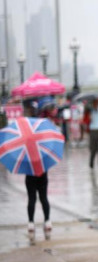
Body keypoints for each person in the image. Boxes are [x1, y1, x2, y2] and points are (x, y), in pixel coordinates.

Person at [21, 100, 52, 244]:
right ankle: (47, 221)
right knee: (43, 197)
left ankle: (31, 223)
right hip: (42, 169)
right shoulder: (43, 134)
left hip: (30, 170)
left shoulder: (25, 137)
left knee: (32, 198)